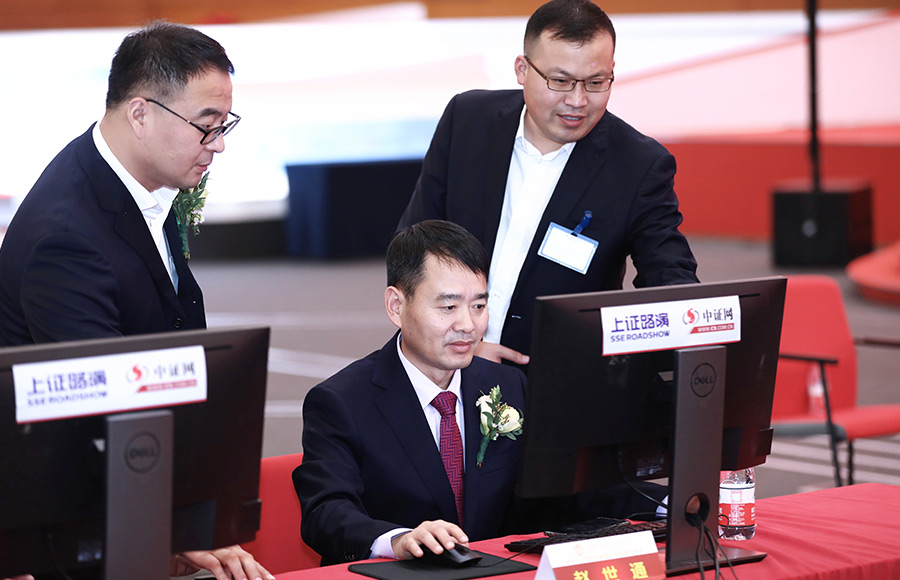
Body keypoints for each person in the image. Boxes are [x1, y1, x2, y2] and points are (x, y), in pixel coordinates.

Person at [0, 21, 272, 580]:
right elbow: (95, 412)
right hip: (77, 535)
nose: (218, 144)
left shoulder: (138, 180)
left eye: (225, 125)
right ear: (141, 114)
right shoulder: (66, 237)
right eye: (206, 126)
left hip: (138, 489)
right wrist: (177, 528)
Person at [397, 0, 699, 367]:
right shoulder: (468, 120)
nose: (578, 101)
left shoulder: (638, 165)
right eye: (560, 81)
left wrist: (691, 319)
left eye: (596, 83)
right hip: (438, 365)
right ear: (522, 70)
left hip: (554, 378)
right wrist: (460, 347)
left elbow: (669, 275)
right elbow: (412, 249)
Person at [293, 220, 528, 565]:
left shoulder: (508, 386)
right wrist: (398, 539)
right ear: (396, 306)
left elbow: (544, 497)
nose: (468, 325)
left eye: (478, 306)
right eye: (448, 307)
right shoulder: (341, 401)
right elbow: (325, 513)